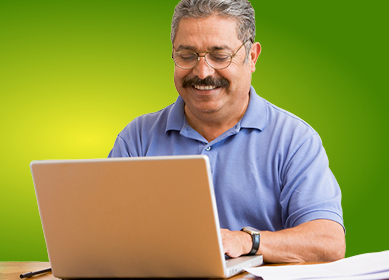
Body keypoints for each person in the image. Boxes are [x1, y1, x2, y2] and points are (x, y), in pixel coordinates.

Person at [108, 0, 345, 263]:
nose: (202, 72)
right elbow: (100, 233)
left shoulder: (294, 139)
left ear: (252, 57)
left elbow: (328, 242)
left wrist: (247, 241)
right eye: (186, 56)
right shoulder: (137, 138)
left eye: (219, 56)